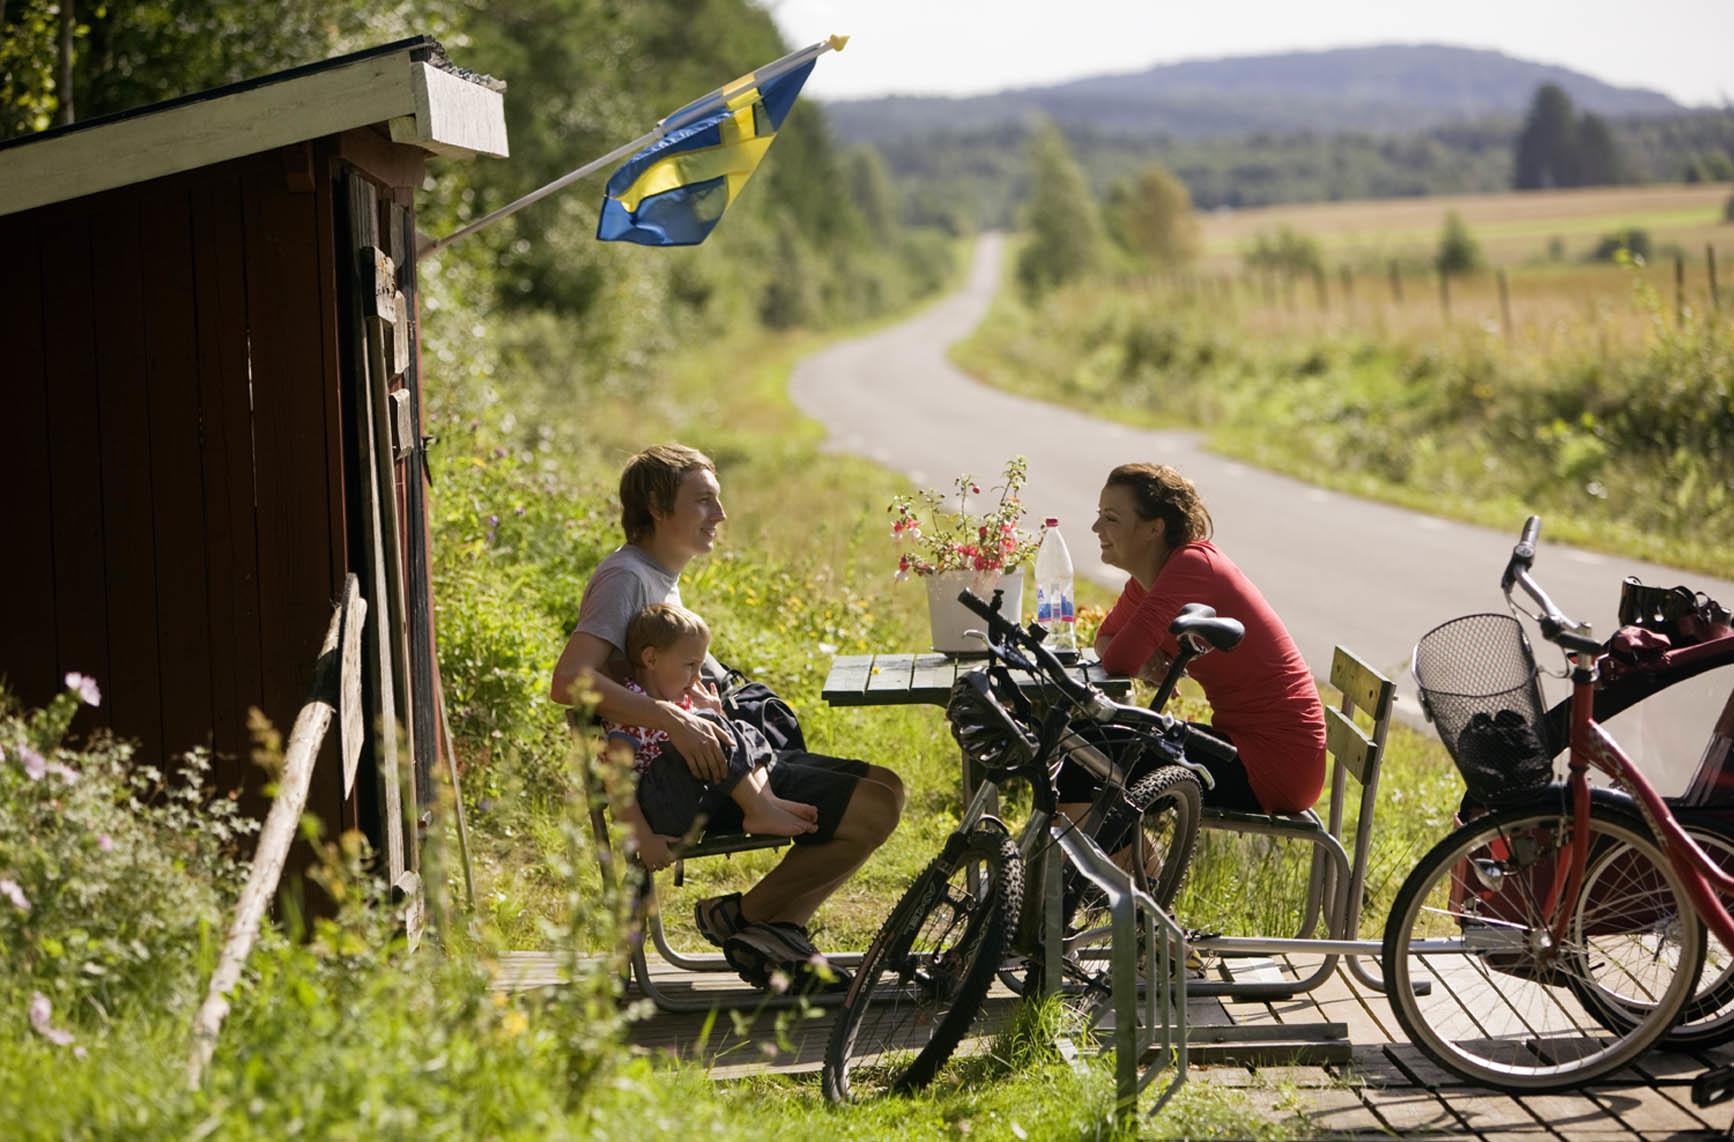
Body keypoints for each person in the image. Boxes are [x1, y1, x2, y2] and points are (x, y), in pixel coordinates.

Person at [551, 443, 905, 990]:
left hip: (714, 760)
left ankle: (770, 931)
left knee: (887, 788)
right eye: (703, 501)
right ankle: (746, 919)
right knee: (873, 807)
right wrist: (673, 720)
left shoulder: (657, 575)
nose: (719, 515)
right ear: (657, 507)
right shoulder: (625, 577)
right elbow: (569, 681)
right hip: (683, 775)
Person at [1086, 462, 1326, 815]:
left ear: (1154, 528)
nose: (1096, 528)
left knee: (1092, 754)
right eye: (1099, 515)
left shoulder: (1191, 567)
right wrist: (1147, 661)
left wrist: (1141, 662)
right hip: (1245, 746)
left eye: (1111, 518)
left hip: (1272, 764)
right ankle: (1110, 853)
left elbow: (1119, 659)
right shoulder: (1150, 580)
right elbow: (1105, 638)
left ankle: (1087, 853)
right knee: (1090, 747)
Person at [602, 602, 820, 869]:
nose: (697, 678)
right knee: (708, 725)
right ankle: (759, 810)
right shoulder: (633, 708)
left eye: (700, 666)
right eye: (690, 665)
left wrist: (718, 715)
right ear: (651, 659)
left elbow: (729, 749)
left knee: (742, 727)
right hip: (659, 811)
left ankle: (766, 800)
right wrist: (644, 839)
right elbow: (615, 778)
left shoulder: (677, 699)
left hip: (691, 797)